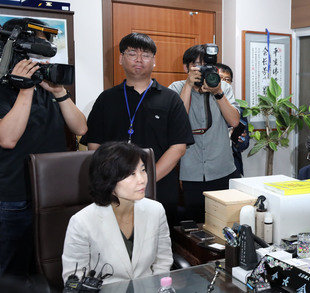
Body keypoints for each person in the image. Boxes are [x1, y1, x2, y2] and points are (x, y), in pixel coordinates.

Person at [0, 17, 87, 279]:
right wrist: (25, 90)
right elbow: (7, 138)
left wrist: (59, 92)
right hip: (14, 197)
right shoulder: (5, 91)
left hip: (52, 193)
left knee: (48, 266)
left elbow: (81, 128)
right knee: (11, 271)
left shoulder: (47, 89)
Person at [82, 33, 193, 227]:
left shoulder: (171, 99)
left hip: (160, 188)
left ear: (154, 61)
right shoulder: (105, 99)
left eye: (146, 54)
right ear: (121, 58)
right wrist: (114, 180)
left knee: (158, 247)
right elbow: (94, 144)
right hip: (114, 189)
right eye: (132, 53)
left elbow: (179, 146)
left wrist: (146, 180)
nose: (139, 59)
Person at [62, 142, 172, 284]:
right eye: (131, 174)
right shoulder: (82, 222)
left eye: (143, 170)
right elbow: (74, 278)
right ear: (108, 179)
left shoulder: (156, 211)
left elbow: (163, 261)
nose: (142, 180)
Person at [169, 45, 240, 223]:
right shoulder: (175, 88)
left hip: (222, 168)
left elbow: (234, 121)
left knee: (226, 221)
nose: (202, 70)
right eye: (197, 65)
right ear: (186, 68)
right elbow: (178, 123)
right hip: (190, 171)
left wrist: (217, 93)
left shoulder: (223, 87)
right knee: (196, 223)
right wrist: (188, 85)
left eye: (206, 65)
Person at [215, 62, 249, 176]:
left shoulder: (239, 110)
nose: (224, 83)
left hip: (232, 165)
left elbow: (245, 144)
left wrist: (238, 139)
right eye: (220, 78)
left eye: (227, 79)